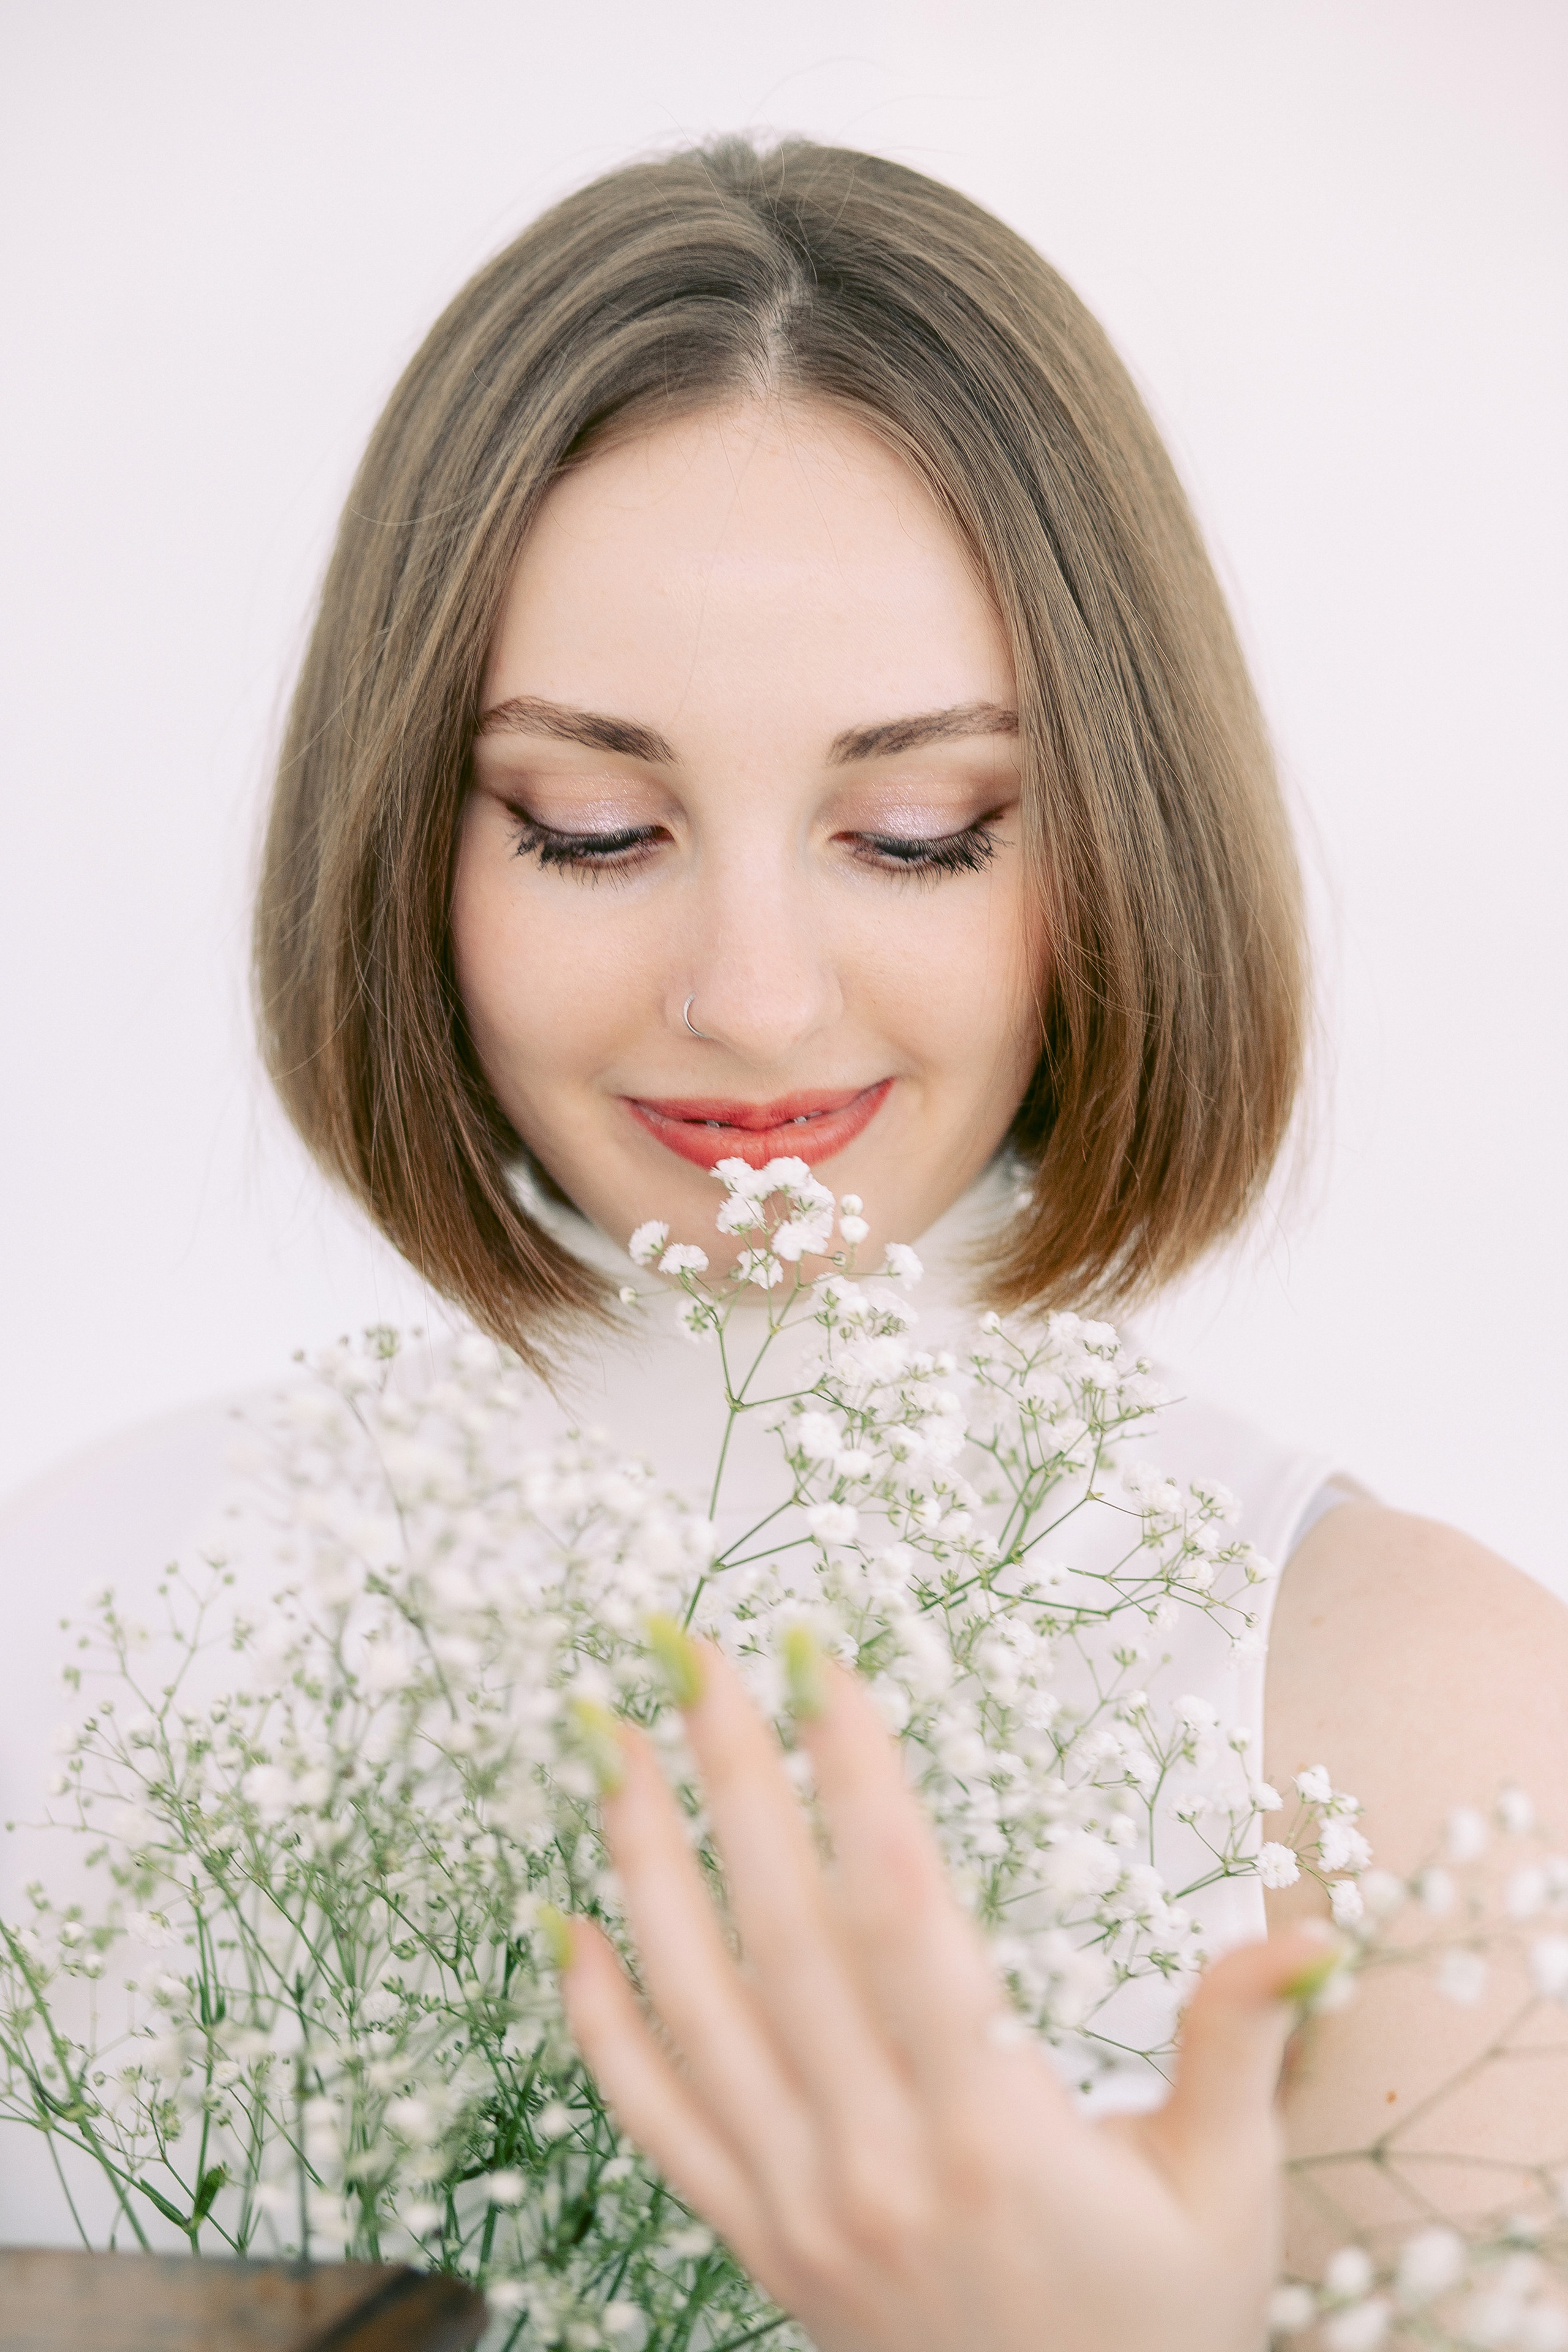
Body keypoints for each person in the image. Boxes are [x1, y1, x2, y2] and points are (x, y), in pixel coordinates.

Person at [6, 137, 1566, 2342]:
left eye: (920, 835)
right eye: (592, 827)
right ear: (411, 843)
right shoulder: (76, 1625)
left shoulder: (1423, 1738)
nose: (749, 992)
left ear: (1119, 837)